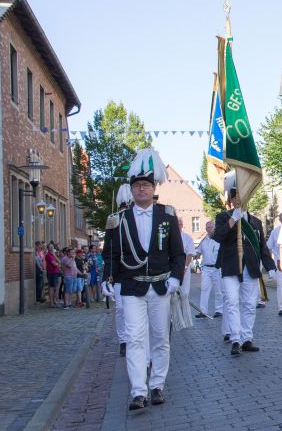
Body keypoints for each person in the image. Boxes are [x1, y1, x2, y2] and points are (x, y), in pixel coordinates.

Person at [103, 148, 185, 410]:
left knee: (160, 338)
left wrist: (176, 278)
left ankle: (157, 385)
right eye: (137, 185)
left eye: (146, 185)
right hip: (131, 286)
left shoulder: (167, 215)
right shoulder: (118, 220)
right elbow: (110, 254)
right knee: (135, 339)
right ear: (131, 189)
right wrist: (107, 278)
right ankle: (138, 391)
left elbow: (178, 253)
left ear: (153, 188)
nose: (141, 189)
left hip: (160, 286)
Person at [214, 171, 276, 356]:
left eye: (242, 197)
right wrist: (233, 219)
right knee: (232, 303)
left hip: (250, 267)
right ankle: (235, 339)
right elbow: (218, 236)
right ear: (232, 200)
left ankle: (246, 338)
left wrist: (270, 266)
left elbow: (262, 246)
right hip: (231, 267)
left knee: (249, 304)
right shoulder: (223, 217)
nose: (239, 201)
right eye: (236, 198)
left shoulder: (255, 221)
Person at [102, 184, 135, 356]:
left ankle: (133, 338)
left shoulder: (137, 218)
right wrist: (106, 277)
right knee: (121, 309)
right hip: (119, 274)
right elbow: (108, 252)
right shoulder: (113, 220)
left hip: (136, 272)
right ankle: (123, 340)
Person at [196, 221, 223, 319]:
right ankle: (203, 311)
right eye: (207, 227)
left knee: (218, 290)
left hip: (217, 268)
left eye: (211, 227)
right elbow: (198, 253)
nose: (209, 229)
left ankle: (219, 310)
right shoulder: (203, 241)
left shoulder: (219, 240)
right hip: (206, 269)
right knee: (204, 289)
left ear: (215, 228)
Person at [266, 212, 282, 317]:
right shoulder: (275, 231)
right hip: (280, 260)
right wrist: (272, 260)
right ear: (280, 219)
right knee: (281, 284)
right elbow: (269, 247)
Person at [45, 243, 60, 308]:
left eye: (52, 246)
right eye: (50, 247)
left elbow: (59, 261)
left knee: (55, 287)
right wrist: (58, 264)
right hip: (51, 273)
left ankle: (54, 301)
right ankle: (51, 303)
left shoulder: (53, 254)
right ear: (48, 248)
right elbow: (55, 264)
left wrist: (54, 255)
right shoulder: (48, 255)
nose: (52, 248)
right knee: (51, 287)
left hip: (56, 272)